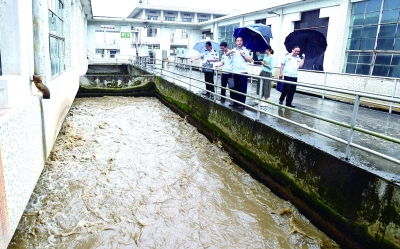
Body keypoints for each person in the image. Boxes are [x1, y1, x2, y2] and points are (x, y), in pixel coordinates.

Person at [225, 36, 253, 109]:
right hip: (235, 72)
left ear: (243, 42)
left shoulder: (245, 50)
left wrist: (243, 54)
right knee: (235, 88)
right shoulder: (234, 50)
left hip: (242, 72)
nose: (239, 42)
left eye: (241, 40)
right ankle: (235, 102)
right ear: (236, 42)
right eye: (238, 40)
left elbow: (250, 60)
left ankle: (241, 103)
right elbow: (227, 54)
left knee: (242, 88)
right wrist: (231, 51)